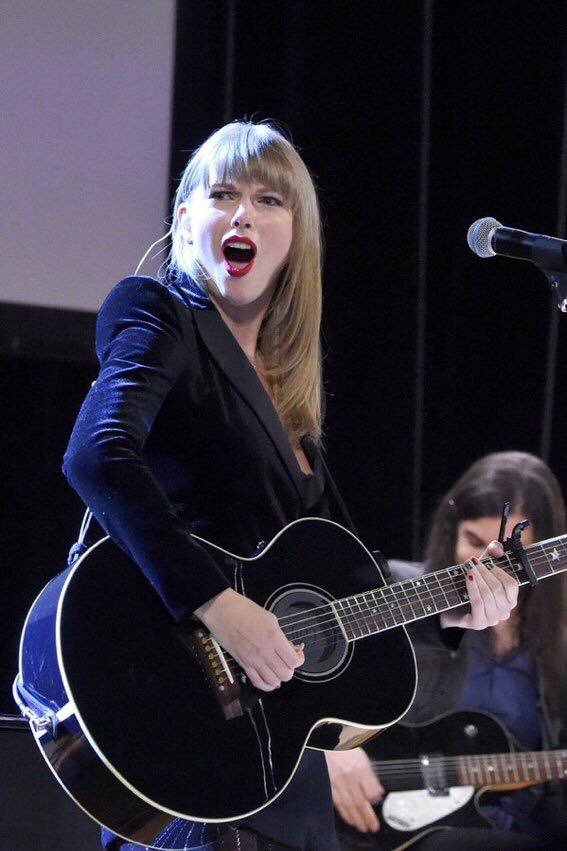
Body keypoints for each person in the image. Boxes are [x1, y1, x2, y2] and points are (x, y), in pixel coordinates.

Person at [62, 122, 519, 851]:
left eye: (269, 200)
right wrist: (216, 603)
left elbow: (349, 596)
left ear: (295, 235)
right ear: (185, 217)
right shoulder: (160, 314)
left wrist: (451, 610)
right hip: (175, 718)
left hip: (271, 769)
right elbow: (97, 455)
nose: (243, 213)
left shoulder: (289, 404)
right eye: (222, 194)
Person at [327, 451, 567, 850]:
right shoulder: (397, 590)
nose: (486, 566)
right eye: (474, 542)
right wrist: (328, 754)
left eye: (512, 556)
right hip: (400, 826)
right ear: (450, 528)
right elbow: (305, 686)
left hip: (519, 821)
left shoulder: (555, 637)